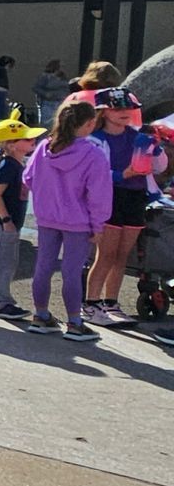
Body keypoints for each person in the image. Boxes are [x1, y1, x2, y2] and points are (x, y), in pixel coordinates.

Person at [21, 102, 110, 342]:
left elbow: (28, 177)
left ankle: (40, 316)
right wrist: (98, 225)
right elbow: (99, 195)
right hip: (78, 221)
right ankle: (75, 322)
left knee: (43, 267)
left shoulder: (44, 147)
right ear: (90, 123)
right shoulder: (93, 154)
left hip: (47, 217)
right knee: (71, 272)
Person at [82, 88, 168, 328]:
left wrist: (156, 148)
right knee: (105, 254)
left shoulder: (137, 135)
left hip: (135, 197)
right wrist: (123, 175)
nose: (124, 113)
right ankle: (91, 304)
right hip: (108, 198)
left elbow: (160, 167)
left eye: (128, 108)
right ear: (104, 111)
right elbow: (94, 174)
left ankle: (111, 303)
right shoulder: (94, 139)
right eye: (117, 108)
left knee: (122, 254)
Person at [0, 112, 45, 319]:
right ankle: (2, 303)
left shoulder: (15, 164)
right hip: (1, 221)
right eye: (26, 138)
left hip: (3, 221)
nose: (32, 140)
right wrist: (6, 220)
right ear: (11, 144)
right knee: (4, 262)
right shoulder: (9, 165)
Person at [32, 59, 74, 127]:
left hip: (62, 102)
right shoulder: (45, 76)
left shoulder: (63, 77)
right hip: (49, 103)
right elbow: (36, 88)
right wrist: (46, 94)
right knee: (47, 124)